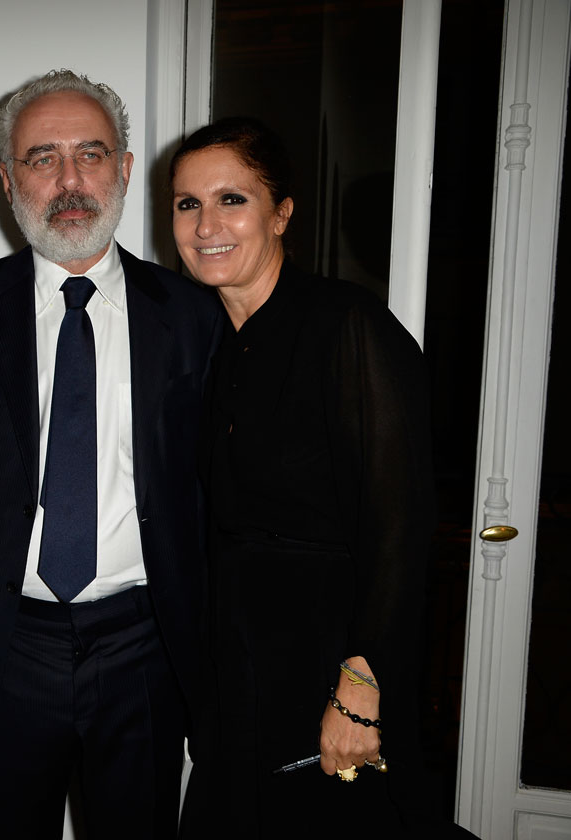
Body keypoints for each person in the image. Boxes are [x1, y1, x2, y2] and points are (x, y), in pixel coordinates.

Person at [0, 69, 224, 838]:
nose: (70, 180)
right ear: (8, 180)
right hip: (3, 646)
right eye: (43, 158)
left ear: (123, 167)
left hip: (147, 647)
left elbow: (218, 498)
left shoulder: (190, 315)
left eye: (90, 153)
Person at [169, 117, 437, 837]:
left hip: (330, 664)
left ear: (282, 212)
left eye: (233, 200)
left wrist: (360, 689)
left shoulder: (347, 326)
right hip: (235, 668)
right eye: (187, 204)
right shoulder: (204, 345)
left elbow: (402, 526)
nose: (206, 224)